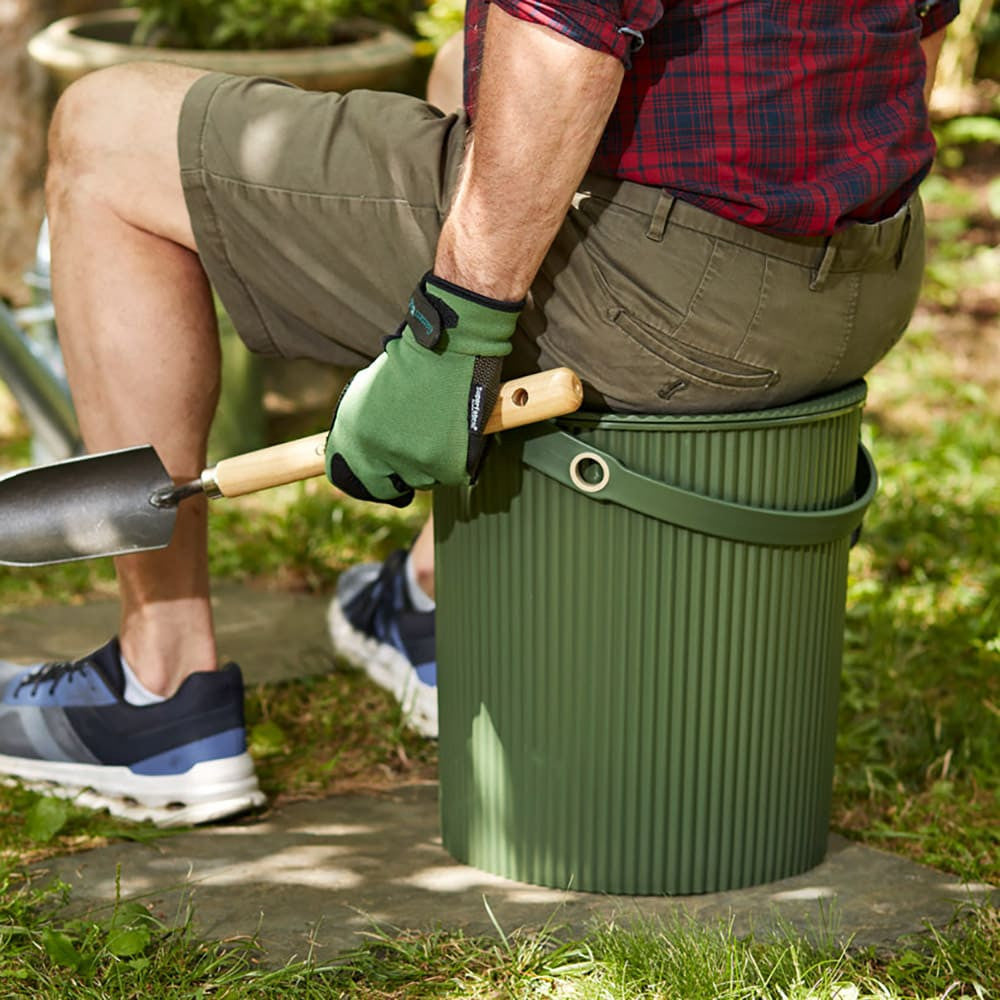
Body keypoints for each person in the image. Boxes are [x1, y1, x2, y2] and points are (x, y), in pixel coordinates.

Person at [0, 0, 957, 825]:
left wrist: (449, 333)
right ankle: (433, 598)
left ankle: (159, 689)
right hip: (859, 272)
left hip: (676, 289)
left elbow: (564, 30)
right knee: (464, 70)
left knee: (105, 131)